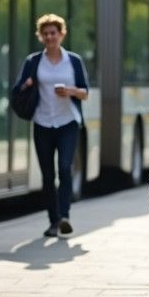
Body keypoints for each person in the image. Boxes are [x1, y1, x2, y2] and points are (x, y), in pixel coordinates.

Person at [16, 14, 90, 238]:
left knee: (65, 169)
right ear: (41, 36)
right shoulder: (34, 61)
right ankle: (53, 221)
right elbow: (19, 89)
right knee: (47, 176)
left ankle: (65, 216)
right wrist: (27, 84)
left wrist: (71, 91)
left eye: (53, 33)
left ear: (61, 34)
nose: (49, 37)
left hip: (68, 122)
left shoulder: (74, 61)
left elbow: (85, 92)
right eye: (45, 33)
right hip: (42, 123)